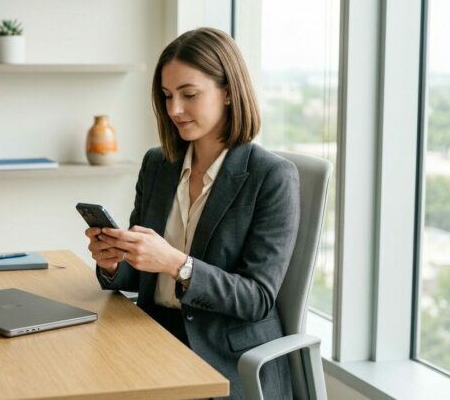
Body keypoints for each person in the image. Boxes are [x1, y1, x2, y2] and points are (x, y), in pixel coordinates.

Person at [85, 27, 300, 399]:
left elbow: (256, 298)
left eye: (189, 95)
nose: (174, 110)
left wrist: (177, 264)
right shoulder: (158, 164)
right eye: (167, 96)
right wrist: (113, 263)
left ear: (229, 92)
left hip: (224, 356)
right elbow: (141, 276)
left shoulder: (272, 177)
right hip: (153, 335)